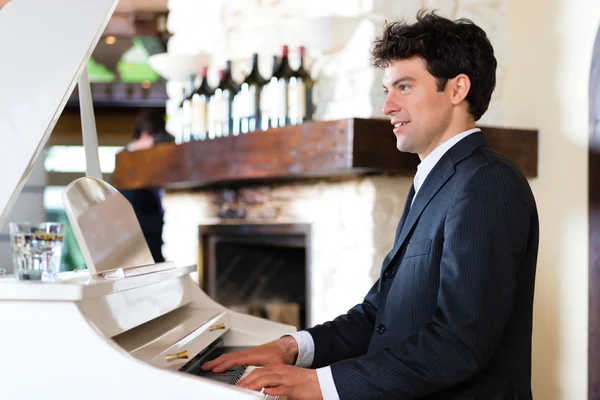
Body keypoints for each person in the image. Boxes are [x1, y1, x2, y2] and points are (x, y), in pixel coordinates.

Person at [202, 10, 539, 400]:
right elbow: (377, 316)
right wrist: (291, 348)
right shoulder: (436, 181)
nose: (388, 106)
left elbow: (458, 344)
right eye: (387, 90)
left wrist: (321, 384)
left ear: (457, 89)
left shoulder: (486, 181)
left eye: (405, 87)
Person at [122, 110, 173, 263]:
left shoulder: (137, 162)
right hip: (140, 240)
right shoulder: (126, 162)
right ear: (144, 135)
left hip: (150, 238)